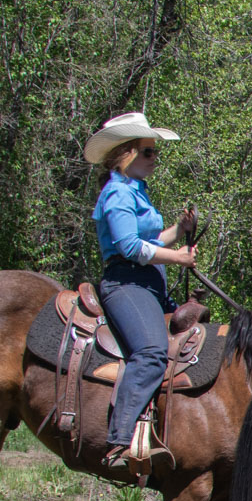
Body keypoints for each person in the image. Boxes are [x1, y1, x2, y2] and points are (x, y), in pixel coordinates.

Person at [82, 111, 198, 468]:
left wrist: (178, 231)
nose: (154, 159)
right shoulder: (116, 193)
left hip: (148, 283)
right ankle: (118, 442)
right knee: (150, 353)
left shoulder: (137, 191)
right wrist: (177, 259)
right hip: (126, 283)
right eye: (148, 152)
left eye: (154, 152)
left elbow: (151, 241)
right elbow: (131, 248)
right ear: (126, 152)